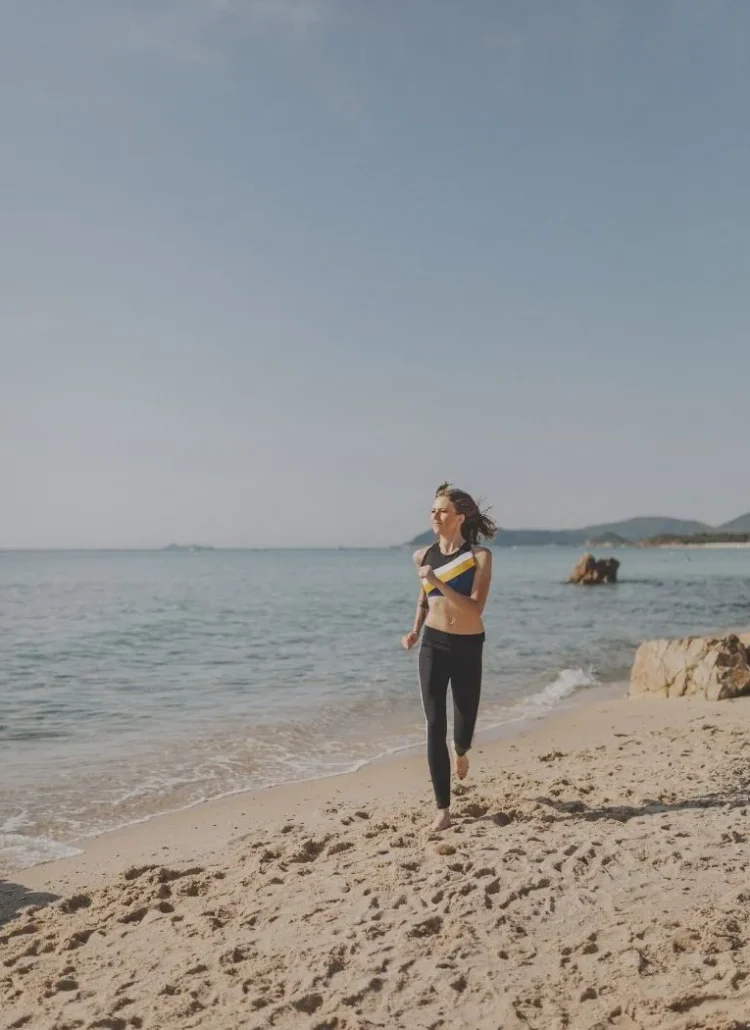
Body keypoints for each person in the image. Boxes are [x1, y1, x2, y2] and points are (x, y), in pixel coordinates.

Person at [402, 482, 497, 831]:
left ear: (459, 518)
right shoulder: (423, 556)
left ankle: (461, 751)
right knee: (434, 724)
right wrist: (415, 630)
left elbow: (475, 608)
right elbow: (424, 599)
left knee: (464, 724)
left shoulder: (479, 558)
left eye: (442, 511)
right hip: (433, 644)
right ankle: (442, 808)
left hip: (468, 646)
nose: (435, 515)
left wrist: (439, 583)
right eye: (432, 510)